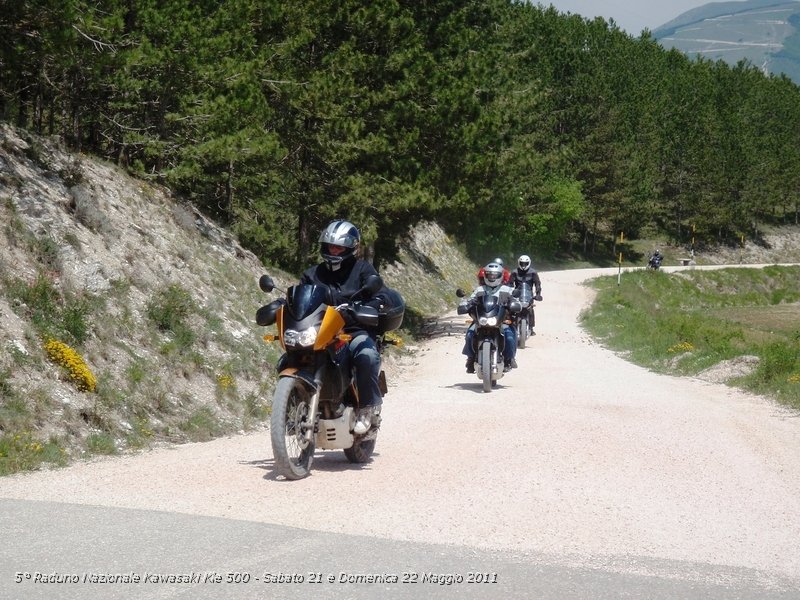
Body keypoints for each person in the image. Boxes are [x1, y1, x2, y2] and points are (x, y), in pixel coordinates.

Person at [299, 219, 396, 435]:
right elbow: (301, 296)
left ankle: (366, 409)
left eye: (339, 247)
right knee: (290, 356)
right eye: (330, 245)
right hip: (318, 331)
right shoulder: (312, 274)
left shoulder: (363, 269)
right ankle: (290, 404)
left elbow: (382, 294)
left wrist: (368, 307)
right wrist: (282, 304)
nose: (334, 250)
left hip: (353, 331)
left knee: (367, 356)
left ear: (351, 247)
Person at [460, 262, 518, 373]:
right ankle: (471, 358)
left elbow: (515, 300)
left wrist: (515, 303)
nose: (492, 277)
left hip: (502, 320)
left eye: (494, 275)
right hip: (481, 319)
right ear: (485, 275)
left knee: (509, 336)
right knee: (470, 334)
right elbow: (471, 300)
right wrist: (465, 305)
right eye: (489, 275)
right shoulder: (479, 290)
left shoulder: (507, 290)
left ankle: (508, 359)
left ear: (501, 276)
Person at [509, 254, 543, 333]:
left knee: (530, 309)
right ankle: (510, 325)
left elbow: (537, 284)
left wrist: (538, 294)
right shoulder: (514, 272)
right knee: (511, 310)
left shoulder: (533, 272)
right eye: (522, 263)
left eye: (525, 263)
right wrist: (510, 293)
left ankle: (531, 327)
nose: (523, 265)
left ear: (529, 263)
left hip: (528, 295)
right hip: (517, 295)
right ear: (519, 263)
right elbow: (510, 284)